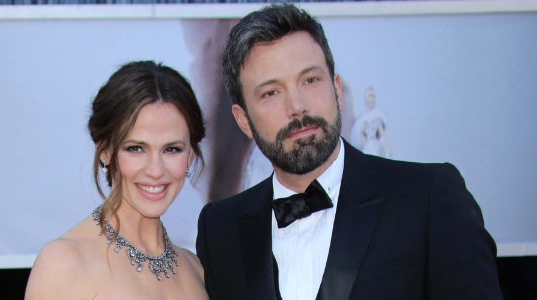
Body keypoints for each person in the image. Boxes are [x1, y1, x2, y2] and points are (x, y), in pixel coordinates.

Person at [196, 3, 503, 300]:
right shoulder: (220, 227)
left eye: (311, 79)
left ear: (337, 90)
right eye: (271, 92)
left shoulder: (428, 197)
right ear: (243, 120)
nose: (297, 106)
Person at [25, 61, 208, 300]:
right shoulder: (64, 263)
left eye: (171, 149)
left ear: (190, 156)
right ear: (105, 151)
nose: (155, 170)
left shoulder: (195, 269)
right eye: (135, 148)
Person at [350, 86, 392, 158]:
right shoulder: (361, 118)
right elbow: (361, 139)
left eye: (372, 97)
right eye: (369, 97)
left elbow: (382, 134)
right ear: (366, 99)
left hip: (375, 146)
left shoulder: (378, 114)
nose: (371, 100)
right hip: (367, 148)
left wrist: (388, 148)